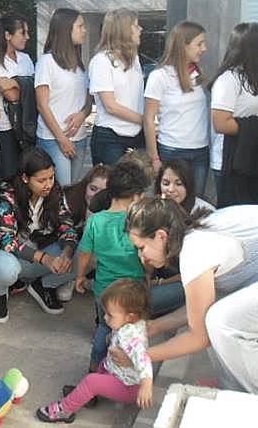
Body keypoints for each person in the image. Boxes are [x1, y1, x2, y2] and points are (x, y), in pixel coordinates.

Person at [127, 199, 258, 396]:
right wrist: (154, 326)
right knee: (213, 317)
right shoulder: (197, 232)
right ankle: (234, 389)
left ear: (161, 236)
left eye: (141, 247)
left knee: (221, 323)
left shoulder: (195, 250)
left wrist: (140, 357)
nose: (140, 256)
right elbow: (200, 310)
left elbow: (199, 337)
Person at [75, 160, 170, 374]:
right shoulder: (142, 222)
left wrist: (80, 276)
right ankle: (130, 373)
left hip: (104, 291)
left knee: (104, 328)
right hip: (134, 294)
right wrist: (148, 278)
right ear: (136, 195)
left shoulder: (96, 221)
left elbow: (85, 254)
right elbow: (147, 261)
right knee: (134, 334)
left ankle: (94, 372)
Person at [36, 280, 153, 423]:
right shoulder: (131, 324)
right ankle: (86, 396)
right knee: (101, 366)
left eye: (110, 315)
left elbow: (144, 359)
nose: (105, 318)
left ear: (130, 316)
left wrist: (146, 386)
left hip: (128, 387)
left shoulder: (131, 336)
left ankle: (65, 410)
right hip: (116, 371)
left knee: (91, 381)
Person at [0, 147, 78, 321]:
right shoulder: (6, 198)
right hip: (14, 257)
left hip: (42, 252)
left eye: (51, 177)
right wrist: (45, 259)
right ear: (25, 178)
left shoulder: (55, 193)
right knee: (4, 267)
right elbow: (7, 242)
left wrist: (67, 253)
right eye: (41, 180)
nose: (49, 184)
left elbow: (67, 226)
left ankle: (44, 286)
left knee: (86, 250)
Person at [209, 23, 258, 207]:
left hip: (254, 157)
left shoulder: (255, 78)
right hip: (231, 160)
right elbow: (220, 123)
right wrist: (256, 126)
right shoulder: (228, 79)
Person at [143, 21, 210, 195]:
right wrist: (154, 157)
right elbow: (149, 119)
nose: (204, 48)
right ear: (183, 45)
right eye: (199, 44)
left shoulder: (197, 75)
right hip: (173, 150)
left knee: (195, 204)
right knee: (170, 205)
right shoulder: (160, 76)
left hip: (200, 150)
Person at [35, 8, 92, 186]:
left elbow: (89, 99)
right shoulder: (47, 62)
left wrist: (83, 114)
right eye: (80, 26)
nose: (84, 30)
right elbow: (42, 106)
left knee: (73, 191)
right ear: (66, 29)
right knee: (62, 191)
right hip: (54, 139)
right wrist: (62, 139)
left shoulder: (80, 64)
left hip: (80, 137)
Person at [88, 8, 145, 166]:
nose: (141, 29)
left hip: (137, 135)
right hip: (110, 137)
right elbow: (110, 106)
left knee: (135, 188)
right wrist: (144, 120)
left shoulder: (135, 60)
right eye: (136, 26)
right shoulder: (101, 61)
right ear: (124, 31)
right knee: (112, 188)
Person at [0, 12, 35, 180]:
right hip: (5, 128)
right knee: (9, 175)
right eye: (23, 32)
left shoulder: (26, 59)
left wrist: (14, 82)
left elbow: (32, 89)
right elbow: (11, 95)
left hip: (27, 126)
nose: (27, 37)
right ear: (7, 35)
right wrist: (23, 83)